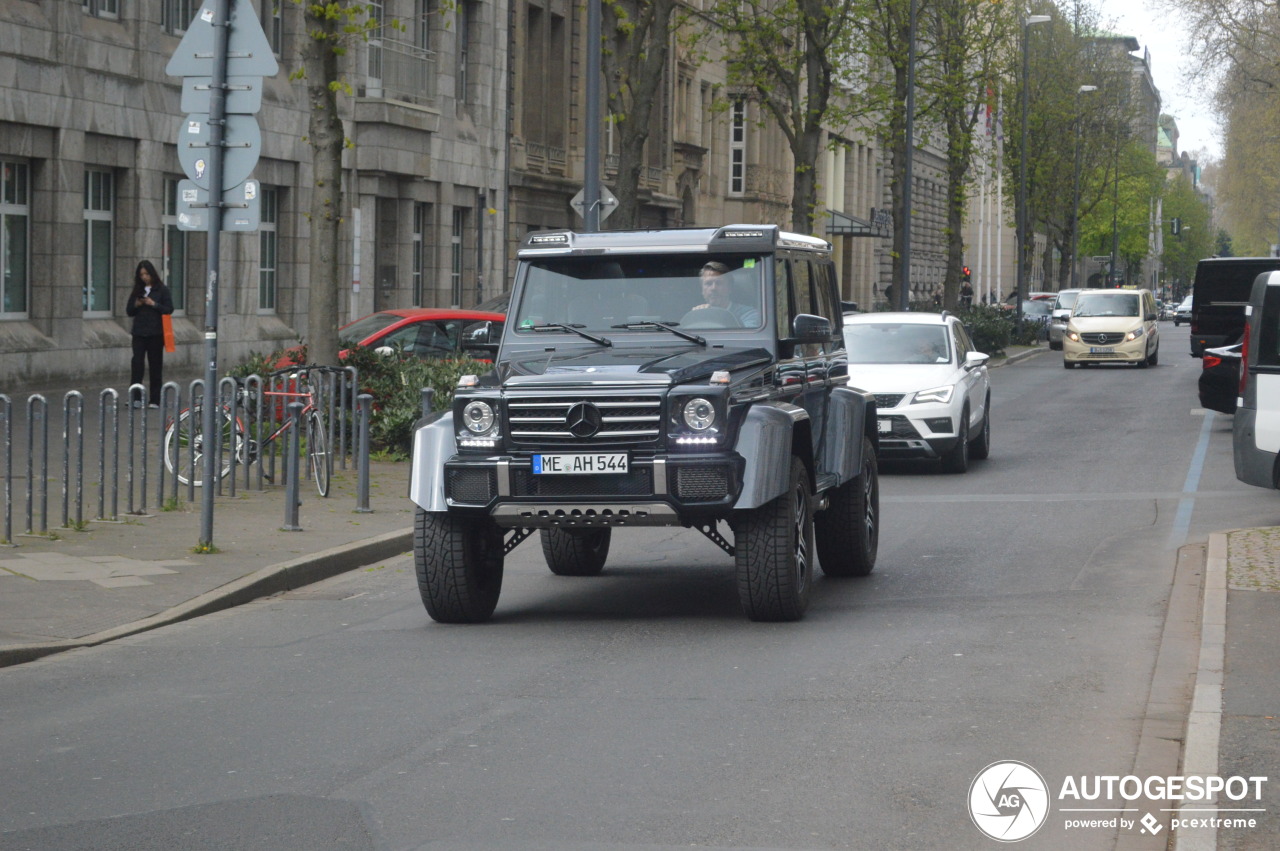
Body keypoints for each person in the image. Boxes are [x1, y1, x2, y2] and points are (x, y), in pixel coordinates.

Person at [125, 260, 174, 407]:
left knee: (155, 365)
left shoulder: (161, 290)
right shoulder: (137, 290)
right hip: (139, 332)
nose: (144, 277)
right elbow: (129, 311)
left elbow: (169, 309)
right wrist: (137, 304)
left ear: (152, 274)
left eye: (147, 274)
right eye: (141, 275)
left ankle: (155, 399)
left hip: (155, 333)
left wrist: (154, 304)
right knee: (137, 364)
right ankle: (136, 397)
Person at [690, 261, 759, 326]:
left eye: (719, 283)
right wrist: (697, 315)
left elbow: (746, 336)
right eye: (708, 283)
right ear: (702, 290)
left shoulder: (748, 314)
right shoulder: (695, 315)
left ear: (729, 288)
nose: (713, 288)